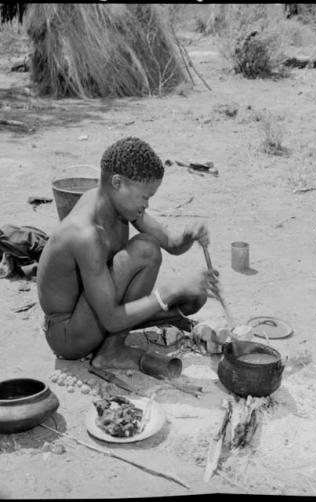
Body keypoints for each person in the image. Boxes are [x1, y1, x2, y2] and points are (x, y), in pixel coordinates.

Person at [37, 137, 219, 369]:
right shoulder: (86, 235)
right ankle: (111, 352)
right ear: (118, 183)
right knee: (146, 250)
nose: (147, 205)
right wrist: (170, 292)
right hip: (70, 334)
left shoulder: (117, 203)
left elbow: (171, 244)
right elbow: (111, 319)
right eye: (145, 197)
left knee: (194, 300)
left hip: (97, 311)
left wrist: (188, 236)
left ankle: (114, 343)